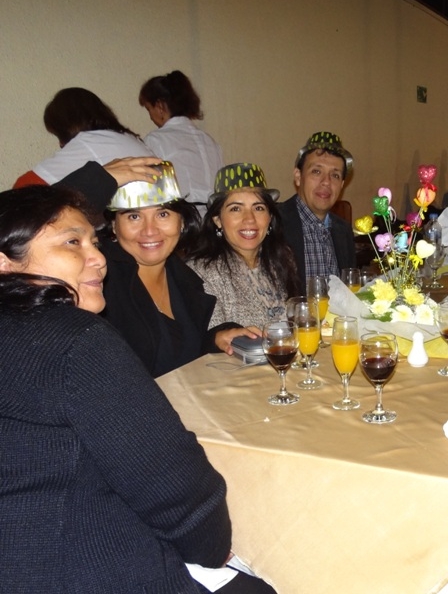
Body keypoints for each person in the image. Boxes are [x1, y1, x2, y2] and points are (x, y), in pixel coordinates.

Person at [0, 185, 276, 593]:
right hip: (78, 562)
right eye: (72, 242)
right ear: (5, 262)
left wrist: (215, 335)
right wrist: (213, 550)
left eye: (92, 242)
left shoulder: (180, 279)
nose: (97, 258)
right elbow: (176, 490)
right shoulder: (77, 337)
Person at [100, 164, 254, 377]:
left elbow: (181, 353)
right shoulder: (100, 282)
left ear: (181, 222)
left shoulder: (184, 278)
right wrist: (95, 180)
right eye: (134, 216)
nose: (150, 230)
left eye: (162, 214)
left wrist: (216, 338)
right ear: (114, 226)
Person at [185, 163, 301, 328]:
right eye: (236, 209)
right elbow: (211, 339)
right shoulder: (201, 273)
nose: (249, 219)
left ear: (269, 218)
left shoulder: (283, 259)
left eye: (258, 208)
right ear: (218, 220)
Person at [13, 87, 153, 187]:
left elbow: (23, 187)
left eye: (59, 134)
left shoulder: (88, 142)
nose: (60, 144)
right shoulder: (130, 138)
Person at [280, 131, 356, 291]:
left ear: (342, 185)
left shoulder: (343, 230)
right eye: (316, 171)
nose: (326, 182)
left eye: (335, 175)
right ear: (298, 176)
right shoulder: (274, 223)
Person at [139, 70, 224, 211]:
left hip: (182, 216)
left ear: (160, 106)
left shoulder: (156, 139)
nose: (151, 117)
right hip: (213, 216)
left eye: (149, 109)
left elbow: (149, 188)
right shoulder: (209, 141)